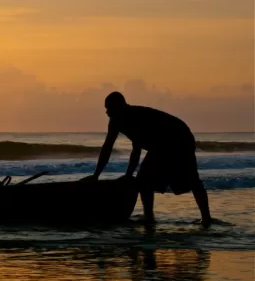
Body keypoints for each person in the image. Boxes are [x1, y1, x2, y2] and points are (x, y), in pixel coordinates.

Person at [81, 91, 213, 227]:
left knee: (186, 178)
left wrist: (128, 175)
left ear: (120, 107)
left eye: (109, 108)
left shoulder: (133, 116)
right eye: (106, 109)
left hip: (179, 135)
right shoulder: (115, 121)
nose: (107, 112)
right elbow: (107, 148)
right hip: (164, 141)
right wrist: (96, 175)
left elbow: (136, 150)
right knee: (145, 180)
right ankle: (149, 216)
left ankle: (204, 218)